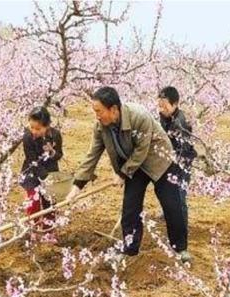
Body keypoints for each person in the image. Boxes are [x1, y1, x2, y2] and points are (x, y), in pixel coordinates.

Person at [65, 86, 191, 263]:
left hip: (159, 160)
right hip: (134, 166)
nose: (97, 116)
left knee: (172, 205)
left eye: (99, 111)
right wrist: (77, 186)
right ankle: (130, 248)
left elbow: (142, 149)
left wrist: (123, 174)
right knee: (130, 207)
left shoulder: (139, 116)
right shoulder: (101, 127)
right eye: (95, 111)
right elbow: (91, 156)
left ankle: (180, 249)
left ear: (114, 109)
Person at [158, 86, 197, 232]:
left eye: (165, 106)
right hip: (168, 160)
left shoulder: (181, 123)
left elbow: (183, 150)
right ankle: (166, 213)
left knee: (179, 196)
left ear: (175, 104)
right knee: (166, 191)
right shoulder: (163, 117)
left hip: (182, 163)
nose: (161, 109)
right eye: (159, 105)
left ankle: (182, 229)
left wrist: (173, 162)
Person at [19, 106, 63, 228]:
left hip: (50, 170)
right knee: (33, 203)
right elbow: (32, 161)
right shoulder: (28, 137)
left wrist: (52, 152)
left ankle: (49, 231)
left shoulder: (55, 135)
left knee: (50, 203)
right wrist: (45, 177)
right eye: (31, 127)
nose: (34, 131)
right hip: (32, 173)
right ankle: (33, 229)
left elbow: (59, 154)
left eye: (38, 128)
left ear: (47, 125)